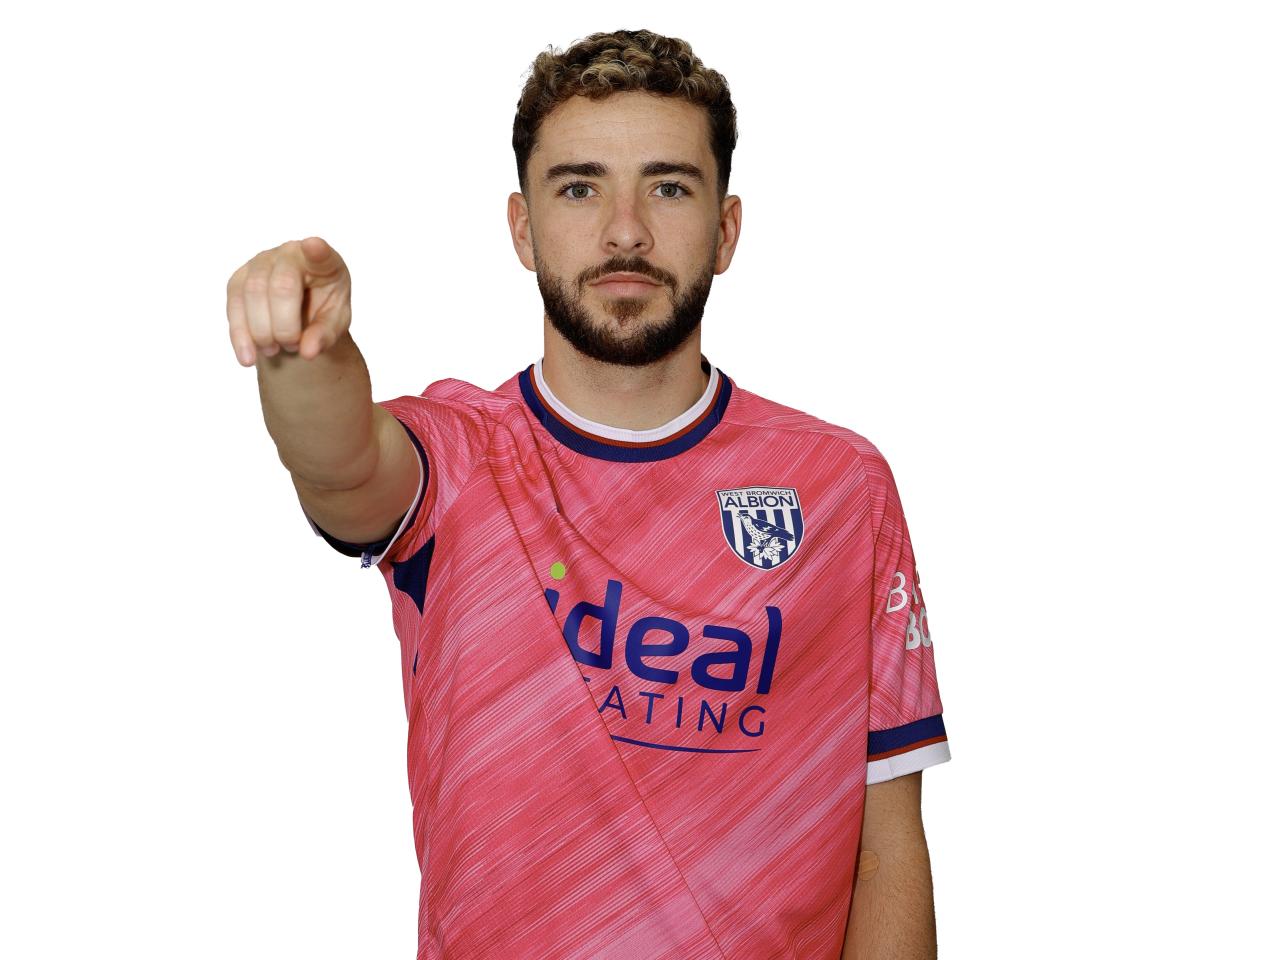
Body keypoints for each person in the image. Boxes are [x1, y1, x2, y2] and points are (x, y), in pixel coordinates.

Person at [226, 28, 950, 960]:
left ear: (726, 230)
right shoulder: (460, 462)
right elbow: (338, 464)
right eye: (579, 186)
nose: (625, 230)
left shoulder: (840, 488)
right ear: (523, 229)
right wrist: (301, 355)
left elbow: (886, 845)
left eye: (669, 185)